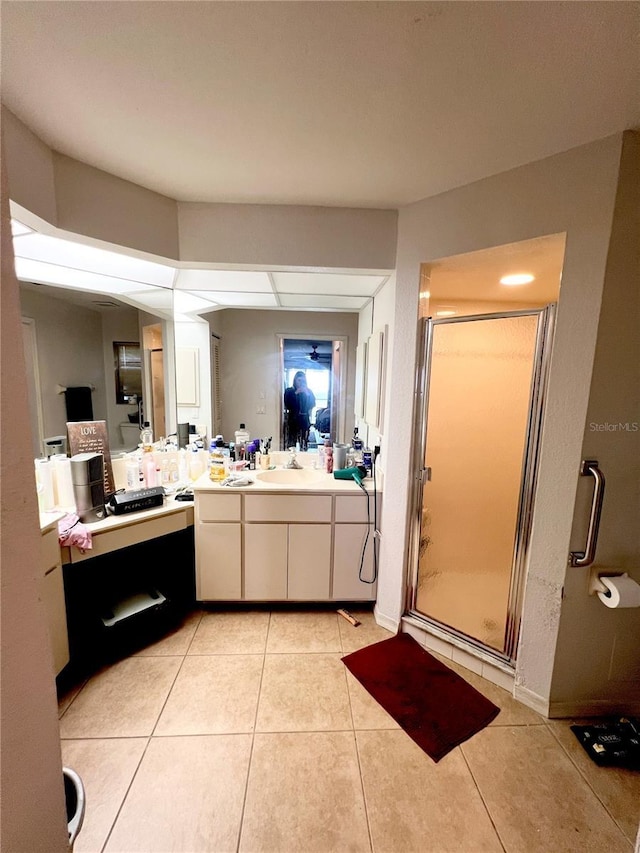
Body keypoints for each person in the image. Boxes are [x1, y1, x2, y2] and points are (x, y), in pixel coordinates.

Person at [284, 371, 316, 450]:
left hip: (304, 419)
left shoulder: (308, 392)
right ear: (295, 380)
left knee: (304, 442)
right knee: (291, 443)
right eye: (299, 380)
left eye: (303, 380)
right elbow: (287, 404)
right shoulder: (289, 391)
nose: (301, 382)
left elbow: (312, 404)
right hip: (293, 420)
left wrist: (307, 394)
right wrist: (296, 393)